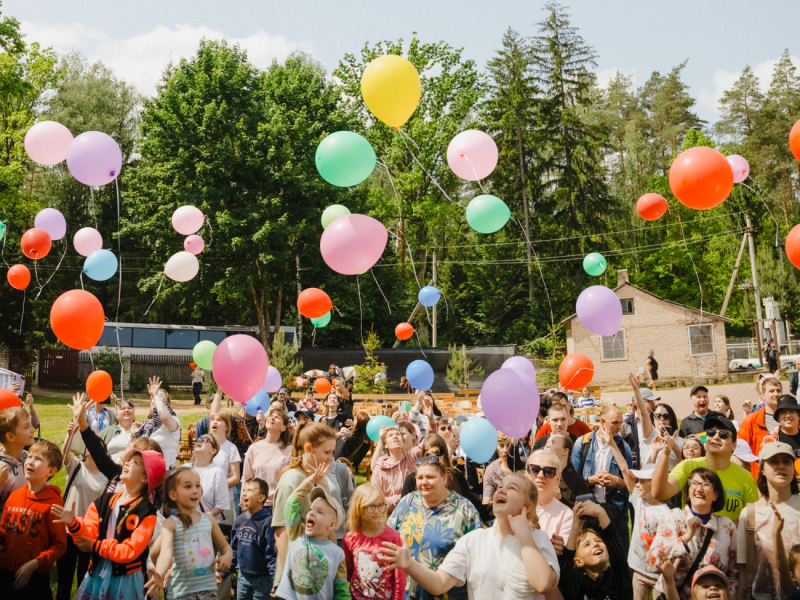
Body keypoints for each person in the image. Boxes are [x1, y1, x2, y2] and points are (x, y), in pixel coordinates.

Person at [383, 473, 559, 600]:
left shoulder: (538, 539)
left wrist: (523, 534)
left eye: (511, 488)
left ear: (527, 506)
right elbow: (439, 583)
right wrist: (409, 564)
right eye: (499, 487)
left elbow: (543, 584)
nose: (501, 491)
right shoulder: (474, 540)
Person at [52, 447, 166, 600]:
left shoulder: (147, 512)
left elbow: (129, 551)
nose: (126, 464)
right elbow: (88, 535)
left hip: (126, 579)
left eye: (135, 463)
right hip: (98, 571)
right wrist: (74, 523)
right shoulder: (103, 501)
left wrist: (95, 545)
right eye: (128, 460)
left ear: (145, 478)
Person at [387, 450, 481, 600]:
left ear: (444, 479)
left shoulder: (465, 509)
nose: (424, 482)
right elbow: (388, 536)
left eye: (430, 477)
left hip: (446, 595)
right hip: (403, 593)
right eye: (420, 477)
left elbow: (478, 557)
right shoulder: (408, 501)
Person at [602, 422, 669, 600]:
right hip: (638, 570)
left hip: (659, 575)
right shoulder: (638, 499)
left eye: (642, 481)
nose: (637, 484)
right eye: (637, 481)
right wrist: (611, 443)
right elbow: (625, 469)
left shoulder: (666, 513)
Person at [648, 467, 738, 600]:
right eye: (694, 483)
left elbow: (734, 574)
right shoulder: (673, 518)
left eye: (706, 484)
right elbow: (652, 563)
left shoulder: (727, 526)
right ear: (688, 492)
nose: (699, 488)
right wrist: (685, 538)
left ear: (715, 495)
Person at [271, 422, 341, 592]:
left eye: (332, 451)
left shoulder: (319, 477)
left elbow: (328, 529)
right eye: (327, 452)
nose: (331, 458)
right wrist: (292, 579)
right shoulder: (291, 480)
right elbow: (281, 532)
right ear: (309, 448)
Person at [653, 415, 758, 524]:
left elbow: (752, 520)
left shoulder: (745, 476)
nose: (716, 437)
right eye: (711, 432)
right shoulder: (688, 466)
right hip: (692, 538)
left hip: (730, 539)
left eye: (723, 434)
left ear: (734, 445)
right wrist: (665, 453)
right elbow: (660, 493)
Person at [149, 466, 233, 599]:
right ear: (173, 495)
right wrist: (160, 572)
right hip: (181, 594)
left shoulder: (208, 519)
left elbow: (224, 546)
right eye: (188, 487)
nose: (195, 491)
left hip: (208, 592)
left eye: (198, 485)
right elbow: (164, 553)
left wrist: (227, 556)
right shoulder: (171, 523)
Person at [0, 440, 66, 599]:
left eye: (38, 459)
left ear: (51, 471)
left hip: (35, 578)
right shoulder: (14, 496)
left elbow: (60, 545)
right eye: (29, 457)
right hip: (5, 571)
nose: (30, 461)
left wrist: (34, 564)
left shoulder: (53, 503)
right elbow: (3, 532)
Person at [735, 441, 800, 600]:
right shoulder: (750, 513)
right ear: (762, 469)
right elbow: (744, 570)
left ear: (793, 468)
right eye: (774, 461)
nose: (781, 466)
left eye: (786, 461)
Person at [275, 463, 349, 600]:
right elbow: (291, 504)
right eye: (310, 510)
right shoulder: (297, 535)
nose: (312, 513)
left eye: (320, 511)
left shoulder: (337, 554)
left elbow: (341, 590)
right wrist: (310, 482)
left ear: (332, 525)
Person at [57, 421, 109, 600]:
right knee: (64, 577)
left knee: (84, 578)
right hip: (67, 530)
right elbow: (64, 455)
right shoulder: (76, 466)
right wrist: (70, 434)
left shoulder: (105, 477)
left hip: (89, 533)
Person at [571, 404, 632, 552]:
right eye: (615, 423)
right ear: (602, 422)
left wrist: (617, 481)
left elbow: (631, 484)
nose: (619, 427)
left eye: (620, 422)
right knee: (589, 556)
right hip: (589, 510)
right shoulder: (583, 443)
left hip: (615, 511)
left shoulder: (623, 447)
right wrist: (592, 480)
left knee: (619, 556)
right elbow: (573, 480)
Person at [399, 434, 487, 522]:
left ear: (444, 453)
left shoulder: (456, 475)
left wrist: (495, 507)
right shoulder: (412, 479)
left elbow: (473, 506)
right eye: (428, 454)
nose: (433, 457)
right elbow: (403, 512)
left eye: (438, 453)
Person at [558, 500, 632, 600]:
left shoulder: (618, 580)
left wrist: (601, 513)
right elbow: (565, 570)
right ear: (578, 561)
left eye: (598, 540)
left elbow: (619, 556)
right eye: (587, 544)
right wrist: (575, 529)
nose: (596, 544)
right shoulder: (578, 588)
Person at [343, 483, 406, 600]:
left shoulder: (393, 537)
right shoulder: (350, 538)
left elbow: (399, 578)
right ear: (358, 507)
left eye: (381, 505)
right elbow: (348, 572)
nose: (377, 511)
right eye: (371, 506)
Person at [371, 404, 436, 513]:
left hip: (414, 514)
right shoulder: (380, 469)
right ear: (385, 444)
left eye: (398, 434)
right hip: (387, 518)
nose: (396, 436)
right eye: (391, 436)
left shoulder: (412, 456)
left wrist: (431, 419)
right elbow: (376, 500)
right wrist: (401, 498)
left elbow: (430, 439)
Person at [526, 450, 572, 594]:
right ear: (526, 474)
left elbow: (557, 558)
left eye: (549, 471)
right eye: (535, 469)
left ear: (558, 479)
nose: (540, 476)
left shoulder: (566, 514)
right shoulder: (513, 508)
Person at [225, 477, 278, 598]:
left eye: (249, 490)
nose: (244, 493)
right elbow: (233, 550)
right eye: (243, 490)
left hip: (262, 581)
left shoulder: (267, 522)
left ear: (261, 497)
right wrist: (225, 572)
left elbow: (271, 554)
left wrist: (275, 582)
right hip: (242, 578)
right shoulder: (239, 520)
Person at [242, 407, 293, 508]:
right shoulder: (254, 448)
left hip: (280, 506)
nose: (272, 418)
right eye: (270, 416)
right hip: (256, 506)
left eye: (277, 417)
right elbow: (246, 479)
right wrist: (244, 506)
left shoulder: (290, 450)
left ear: (283, 428)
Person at [739, 376, 784, 477]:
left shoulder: (791, 419)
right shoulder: (750, 421)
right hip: (759, 476)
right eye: (771, 391)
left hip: (786, 475)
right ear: (763, 395)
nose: (776, 394)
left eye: (778, 391)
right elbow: (741, 453)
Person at [135, 376, 181, 469]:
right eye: (153, 398)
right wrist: (133, 435)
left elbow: (164, 417)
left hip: (165, 472)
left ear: (167, 405)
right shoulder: (146, 425)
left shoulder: (173, 420)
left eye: (161, 399)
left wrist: (156, 395)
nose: (155, 401)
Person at [186, 434, 230, 521]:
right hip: (183, 525)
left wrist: (200, 518)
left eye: (205, 439)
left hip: (207, 527)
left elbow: (221, 505)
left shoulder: (217, 472)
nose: (199, 440)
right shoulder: (184, 469)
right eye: (198, 439)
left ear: (213, 450)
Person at [0, 405, 36, 511]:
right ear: (10, 437)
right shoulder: (1, 467)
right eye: (26, 427)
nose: (33, 429)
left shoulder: (32, 459)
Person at [209, 411, 242, 520]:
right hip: (204, 500)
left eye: (219, 420)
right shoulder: (203, 445)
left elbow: (235, 478)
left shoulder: (231, 448)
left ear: (226, 427)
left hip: (223, 501)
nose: (215, 422)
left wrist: (216, 488)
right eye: (213, 420)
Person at [544, 433, 590, 509]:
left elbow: (584, 512)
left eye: (553, 442)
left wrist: (561, 499)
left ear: (565, 451)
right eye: (547, 442)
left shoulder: (577, 480)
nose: (547, 445)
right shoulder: (539, 474)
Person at [100, 397, 137, 463]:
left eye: (129, 408)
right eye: (123, 408)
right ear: (116, 415)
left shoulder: (142, 429)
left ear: (134, 413)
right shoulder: (106, 432)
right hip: (111, 470)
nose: (126, 410)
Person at [482, 432, 513, 503]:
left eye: (509, 445)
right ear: (496, 446)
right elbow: (486, 502)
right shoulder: (491, 470)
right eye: (501, 446)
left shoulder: (525, 464)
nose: (505, 450)